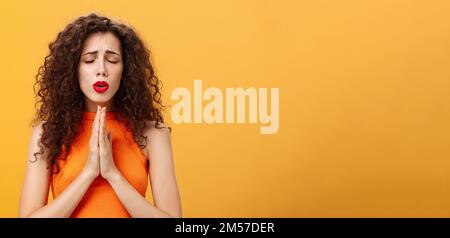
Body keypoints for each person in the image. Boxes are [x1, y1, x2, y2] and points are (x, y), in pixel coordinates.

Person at [18, 13, 182, 218]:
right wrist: (88, 173)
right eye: (89, 60)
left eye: (112, 60)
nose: (101, 70)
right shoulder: (47, 133)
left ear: (126, 70)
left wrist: (113, 174)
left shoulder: (153, 134)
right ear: (73, 69)